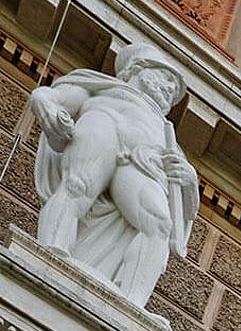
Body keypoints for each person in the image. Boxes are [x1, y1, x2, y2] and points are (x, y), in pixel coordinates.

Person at [31, 40, 198, 309]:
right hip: (104, 124)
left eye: (174, 87)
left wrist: (188, 177)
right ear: (135, 69)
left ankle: (132, 306)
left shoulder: (166, 132)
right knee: (77, 187)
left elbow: (184, 191)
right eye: (165, 78)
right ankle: (50, 254)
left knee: (159, 225)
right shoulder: (105, 90)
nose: (169, 89)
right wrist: (44, 104)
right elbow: (51, 97)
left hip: (143, 160)